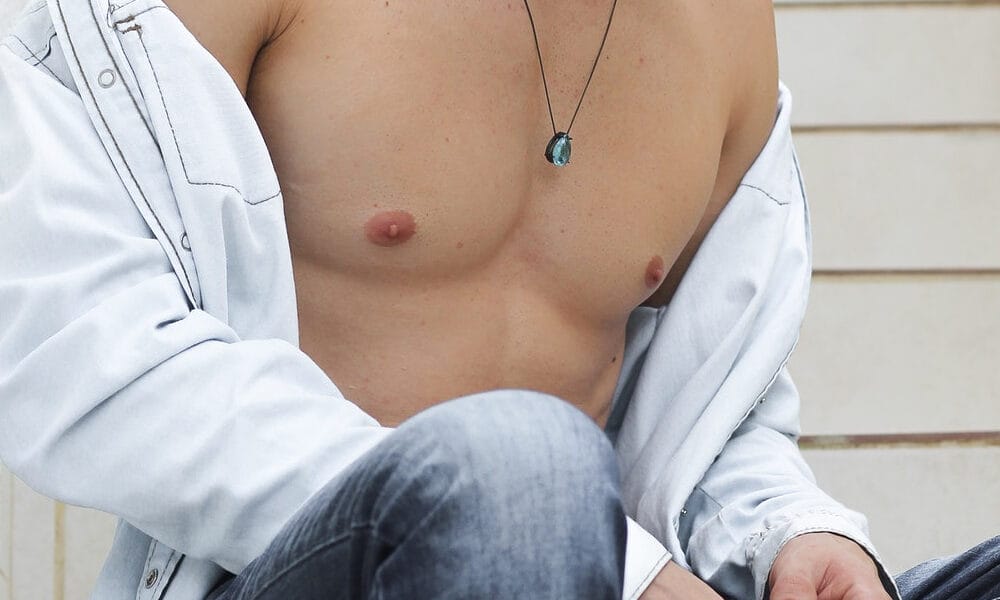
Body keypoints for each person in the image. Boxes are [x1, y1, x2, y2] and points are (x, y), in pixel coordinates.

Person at [0, 0, 995, 598]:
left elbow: (705, 409)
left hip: (618, 570)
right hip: (314, 577)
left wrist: (787, 532)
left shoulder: (723, 28)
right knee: (525, 462)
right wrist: (615, 565)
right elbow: (84, 345)